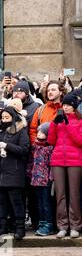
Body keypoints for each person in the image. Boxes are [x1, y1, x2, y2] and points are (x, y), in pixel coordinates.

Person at [0, 106, 30, 240]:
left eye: (7, 117)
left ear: (13, 118)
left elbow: (24, 150)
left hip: (14, 171)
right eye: (3, 117)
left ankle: (20, 228)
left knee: (16, 202)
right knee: (0, 202)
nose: (5, 120)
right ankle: (2, 227)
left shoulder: (21, 131)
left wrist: (7, 145)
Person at [48, 93, 82, 238]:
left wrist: (68, 124)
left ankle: (75, 225)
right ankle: (62, 225)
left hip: (75, 161)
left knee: (74, 194)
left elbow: (79, 141)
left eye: (68, 105)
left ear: (74, 107)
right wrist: (55, 124)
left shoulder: (80, 121)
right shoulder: (58, 120)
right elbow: (51, 140)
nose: (65, 107)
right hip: (58, 160)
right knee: (60, 194)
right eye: (64, 104)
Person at [27, 122, 55, 236]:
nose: (39, 134)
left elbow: (51, 165)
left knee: (46, 203)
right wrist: (29, 173)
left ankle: (49, 224)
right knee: (39, 203)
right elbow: (31, 162)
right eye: (38, 131)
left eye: (42, 132)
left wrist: (51, 178)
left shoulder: (49, 148)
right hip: (35, 179)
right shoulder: (35, 146)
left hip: (45, 180)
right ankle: (42, 222)